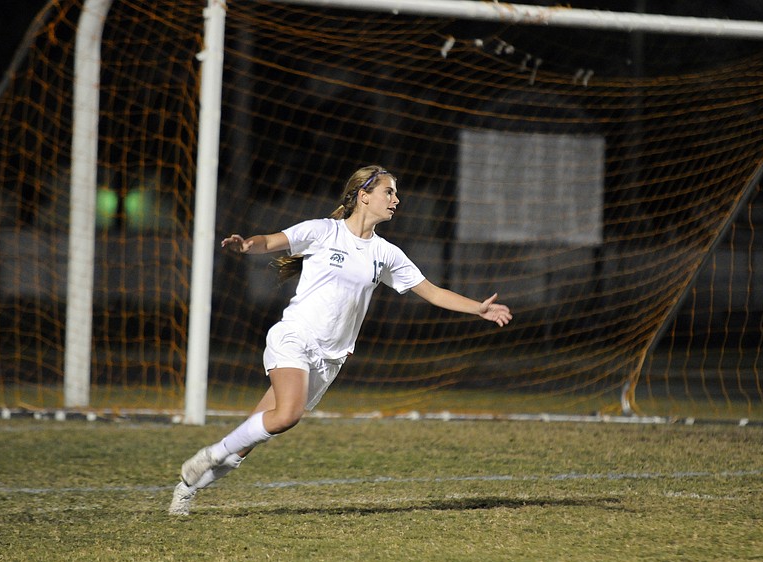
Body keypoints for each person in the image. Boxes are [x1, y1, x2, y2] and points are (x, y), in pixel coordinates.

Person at [169, 165, 512, 516]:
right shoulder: (323, 231)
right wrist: (246, 245)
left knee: (249, 441)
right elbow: (272, 241)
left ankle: (185, 490)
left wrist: (477, 309)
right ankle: (210, 453)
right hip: (295, 336)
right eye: (388, 192)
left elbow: (432, 292)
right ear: (363, 196)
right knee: (286, 416)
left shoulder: (387, 254)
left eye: (395, 193)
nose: (396, 199)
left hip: (330, 359)